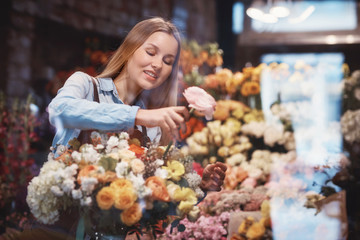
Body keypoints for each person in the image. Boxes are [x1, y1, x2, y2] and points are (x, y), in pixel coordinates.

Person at [25, 16, 226, 239]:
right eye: (151, 52)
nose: (158, 64)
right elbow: (59, 111)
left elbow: (154, 202)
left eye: (168, 61)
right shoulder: (85, 85)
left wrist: (198, 187)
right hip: (58, 232)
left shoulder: (154, 130)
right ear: (130, 49)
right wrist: (137, 116)